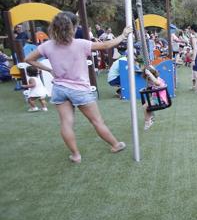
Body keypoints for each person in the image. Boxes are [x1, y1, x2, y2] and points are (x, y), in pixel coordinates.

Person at [24, 11, 130, 163]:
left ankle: (76, 155)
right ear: (72, 28)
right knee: (97, 121)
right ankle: (115, 145)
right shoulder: (80, 44)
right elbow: (107, 45)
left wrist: (48, 70)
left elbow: (28, 59)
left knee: (66, 123)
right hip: (80, 90)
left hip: (59, 89)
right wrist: (124, 35)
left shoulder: (47, 46)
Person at [141, 65, 168, 130]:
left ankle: (148, 122)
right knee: (147, 105)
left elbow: (157, 83)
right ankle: (150, 117)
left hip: (160, 100)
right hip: (156, 99)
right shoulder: (154, 80)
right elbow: (149, 85)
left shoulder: (158, 80)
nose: (149, 80)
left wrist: (149, 74)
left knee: (145, 107)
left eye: (149, 78)